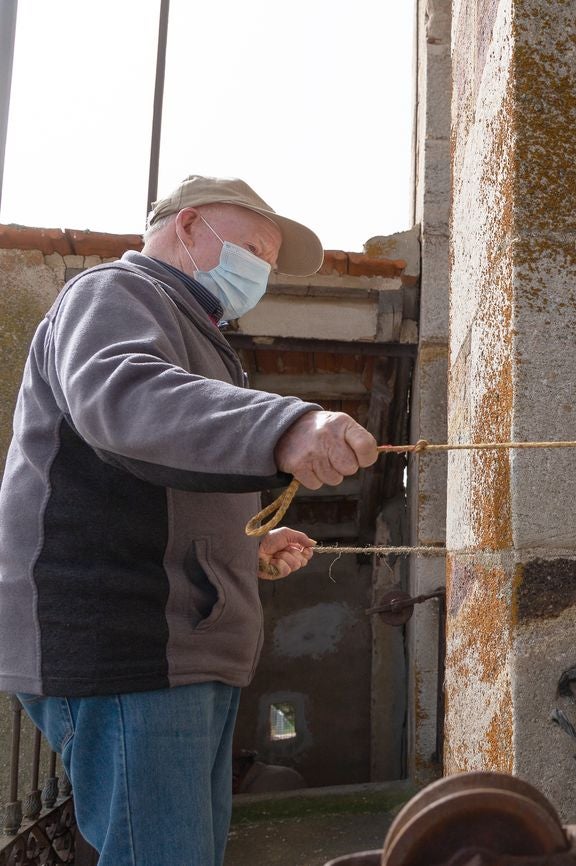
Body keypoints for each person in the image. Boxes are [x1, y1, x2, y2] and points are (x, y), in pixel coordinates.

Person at [0, 175, 379, 865]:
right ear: (190, 227)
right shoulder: (113, 293)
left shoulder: (195, 335)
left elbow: (164, 482)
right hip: (131, 652)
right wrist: (286, 425)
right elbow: (126, 400)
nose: (262, 269)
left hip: (178, 656)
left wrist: (250, 548)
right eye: (255, 247)